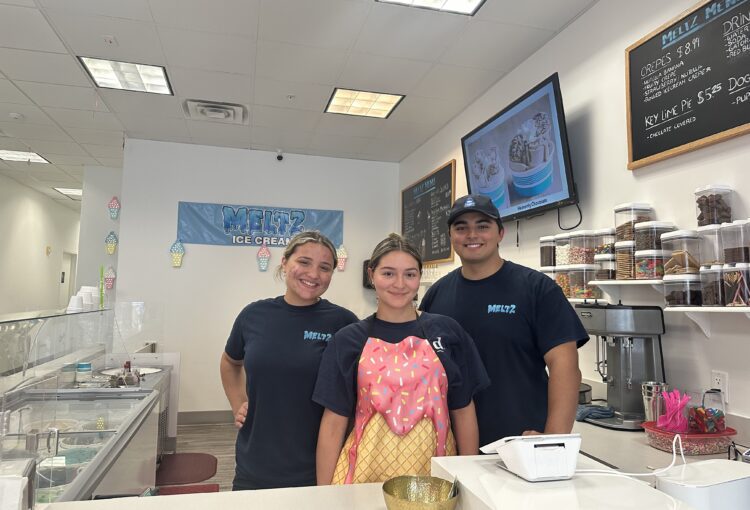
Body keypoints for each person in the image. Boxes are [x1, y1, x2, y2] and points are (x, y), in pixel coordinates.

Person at [314, 233, 489, 485]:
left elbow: (463, 409)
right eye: (388, 273)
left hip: (434, 478)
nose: (399, 283)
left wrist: (468, 479)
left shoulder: (447, 332)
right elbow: (333, 423)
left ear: (419, 277)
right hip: (364, 474)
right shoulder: (348, 340)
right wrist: (324, 494)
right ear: (371, 275)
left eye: (410, 274)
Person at [420, 194, 589, 446]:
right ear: (450, 236)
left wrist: (553, 440)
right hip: (448, 446)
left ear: (500, 233)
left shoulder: (537, 289)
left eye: (482, 226)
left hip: (519, 443)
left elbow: (564, 367)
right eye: (461, 227)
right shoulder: (436, 295)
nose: (471, 234)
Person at [220, 231, 358, 490]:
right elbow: (230, 362)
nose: (313, 274)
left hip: (317, 467)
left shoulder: (344, 323)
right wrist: (238, 403)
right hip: (255, 464)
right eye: (304, 262)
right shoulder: (253, 315)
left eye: (324, 267)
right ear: (284, 262)